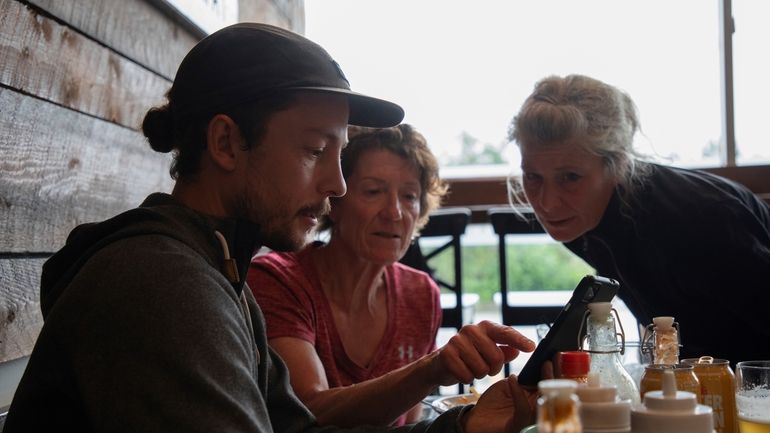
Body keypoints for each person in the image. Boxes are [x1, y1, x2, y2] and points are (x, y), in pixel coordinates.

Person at [3, 23, 540, 433]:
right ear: (226, 143)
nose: (338, 186)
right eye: (314, 151)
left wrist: (464, 425)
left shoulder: (218, 268)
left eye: (340, 154)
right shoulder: (163, 283)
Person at [248, 124, 530, 427]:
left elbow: (408, 424)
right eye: (373, 191)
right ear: (335, 203)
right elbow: (307, 415)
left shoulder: (419, 293)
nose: (394, 212)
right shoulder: (278, 280)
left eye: (409, 196)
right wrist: (431, 369)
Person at [507, 74, 770, 365]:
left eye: (570, 177)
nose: (546, 203)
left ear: (618, 164)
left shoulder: (703, 219)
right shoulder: (578, 221)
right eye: (533, 177)